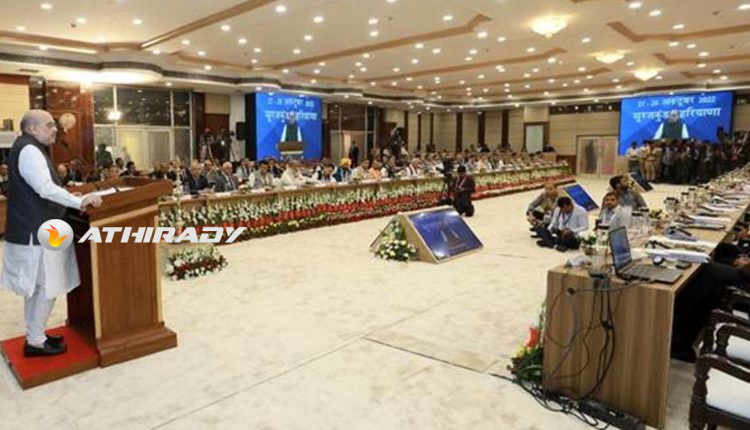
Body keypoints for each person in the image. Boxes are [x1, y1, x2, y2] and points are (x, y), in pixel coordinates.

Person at [1, 109, 103, 357]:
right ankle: (36, 341)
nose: (55, 129)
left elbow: (41, 189)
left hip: (37, 227)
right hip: (38, 230)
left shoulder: (28, 147)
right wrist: (79, 201)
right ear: (32, 128)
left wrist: (68, 196)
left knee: (39, 287)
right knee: (48, 285)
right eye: (49, 125)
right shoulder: (30, 150)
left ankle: (36, 336)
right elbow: (45, 189)